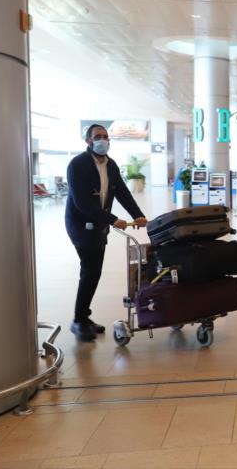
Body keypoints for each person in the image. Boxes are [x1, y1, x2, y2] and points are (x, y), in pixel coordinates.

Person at [65, 124, 147, 341]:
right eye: (97, 136)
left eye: (105, 136)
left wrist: (138, 215)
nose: (103, 140)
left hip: (99, 225)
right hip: (81, 225)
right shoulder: (78, 165)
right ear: (88, 141)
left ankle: (83, 317)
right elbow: (82, 203)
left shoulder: (111, 165)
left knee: (94, 271)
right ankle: (78, 320)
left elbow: (122, 192)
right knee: (90, 270)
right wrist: (112, 220)